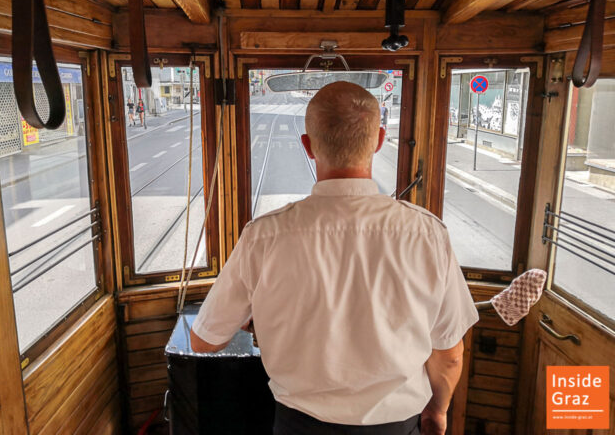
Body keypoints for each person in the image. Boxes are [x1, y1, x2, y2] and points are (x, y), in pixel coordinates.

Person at [190, 82, 479, 435]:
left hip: (297, 426)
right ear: (378, 140)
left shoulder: (262, 236)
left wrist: (261, 317)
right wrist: (437, 412)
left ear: (308, 147)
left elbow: (204, 340)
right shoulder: (427, 234)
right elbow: (448, 354)